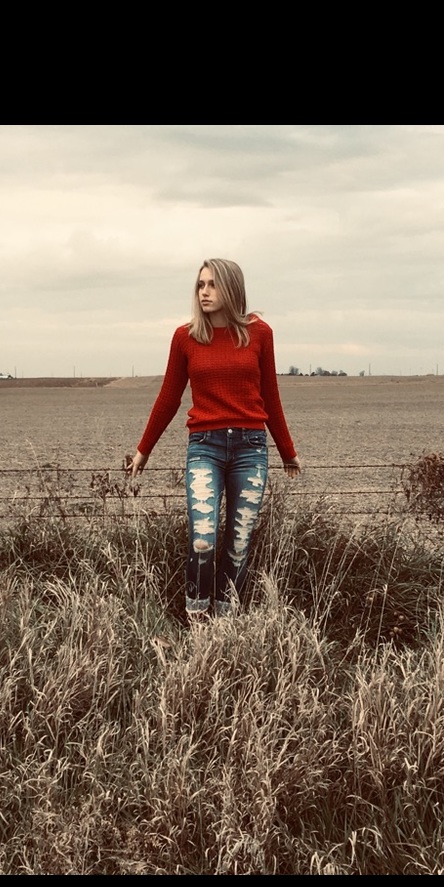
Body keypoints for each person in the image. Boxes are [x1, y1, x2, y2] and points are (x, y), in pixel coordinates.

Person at [129, 258, 301, 620]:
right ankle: (198, 621)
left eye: (212, 285)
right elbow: (169, 397)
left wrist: (287, 451)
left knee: (239, 544)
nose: (204, 292)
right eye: (200, 285)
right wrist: (144, 450)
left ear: (232, 288)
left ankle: (226, 621)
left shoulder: (260, 334)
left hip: (250, 449)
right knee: (203, 537)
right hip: (204, 446)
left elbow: (270, 395)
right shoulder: (185, 337)